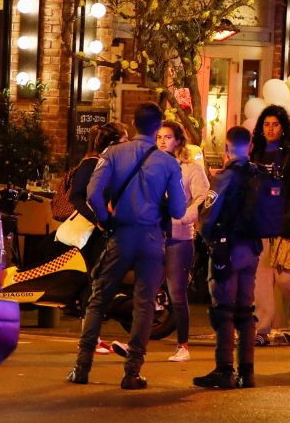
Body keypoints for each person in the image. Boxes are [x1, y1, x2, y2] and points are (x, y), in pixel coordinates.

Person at [67, 102, 185, 389]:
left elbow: (94, 193)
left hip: (121, 233)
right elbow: (180, 209)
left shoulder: (112, 153)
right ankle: (132, 371)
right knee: (145, 303)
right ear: (158, 128)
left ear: (134, 124)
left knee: (99, 297)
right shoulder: (168, 162)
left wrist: (106, 219)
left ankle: (82, 367)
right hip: (152, 237)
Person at [193, 126, 262, 389]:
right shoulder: (260, 175)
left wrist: (208, 241)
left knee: (223, 310)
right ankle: (248, 371)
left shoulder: (225, 177)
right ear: (251, 146)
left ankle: (224, 370)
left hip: (228, 250)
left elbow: (208, 216)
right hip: (252, 250)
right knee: (246, 311)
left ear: (226, 148)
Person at [251, 104, 290, 346]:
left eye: (275, 124)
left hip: (287, 228)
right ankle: (261, 329)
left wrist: (287, 224)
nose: (270, 129)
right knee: (262, 281)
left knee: (287, 279)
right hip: (261, 225)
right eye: (266, 124)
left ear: (283, 127)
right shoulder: (256, 153)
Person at [66, 121, 128, 356]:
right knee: (94, 278)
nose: (127, 144)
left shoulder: (109, 163)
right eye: (124, 140)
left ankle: (92, 337)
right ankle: (89, 339)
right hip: (93, 231)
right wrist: (97, 218)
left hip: (104, 228)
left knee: (98, 278)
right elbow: (76, 196)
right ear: (113, 143)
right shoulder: (92, 163)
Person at [156, 119, 210, 363]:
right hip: (154, 236)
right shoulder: (152, 165)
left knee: (177, 292)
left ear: (178, 139)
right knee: (147, 288)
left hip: (179, 237)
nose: (162, 141)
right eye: (159, 137)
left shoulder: (190, 168)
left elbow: (202, 197)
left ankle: (183, 345)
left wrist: (184, 216)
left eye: (167, 137)